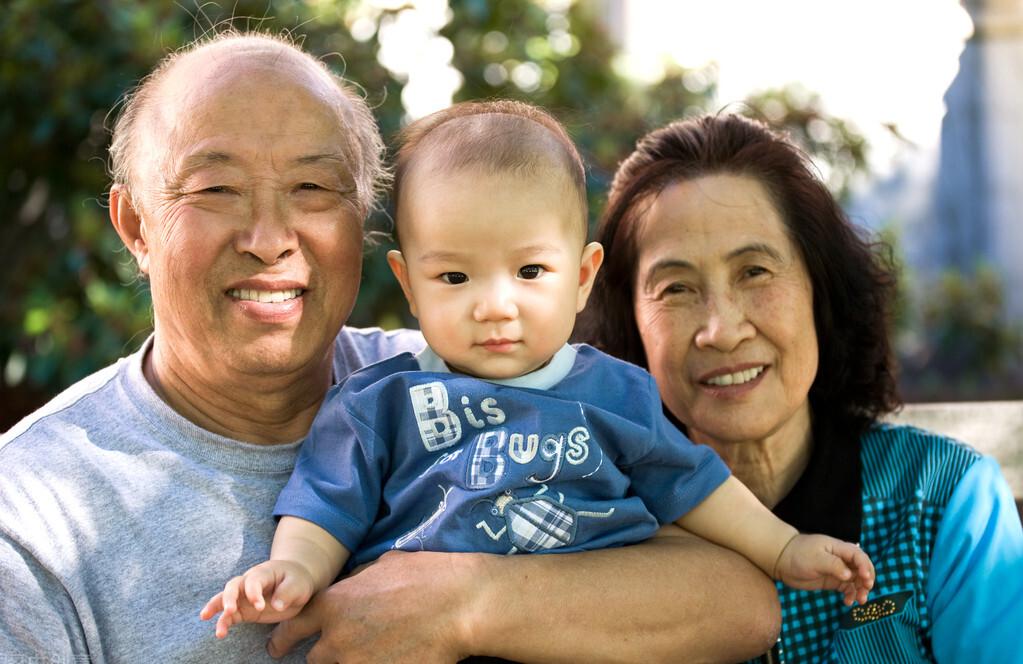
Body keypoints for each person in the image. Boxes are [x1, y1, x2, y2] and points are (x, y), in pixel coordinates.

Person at [0, 33, 783, 663]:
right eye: (215, 190)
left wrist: (467, 603)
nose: (271, 239)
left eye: (314, 189)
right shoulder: (35, 516)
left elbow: (735, 601)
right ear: (135, 226)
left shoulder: (466, 374)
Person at [200, 100, 874, 640]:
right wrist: (290, 569)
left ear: (581, 278)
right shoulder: (379, 401)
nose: (495, 305)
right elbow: (325, 507)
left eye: (529, 272)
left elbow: (694, 488)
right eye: (455, 275)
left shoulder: (614, 394)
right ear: (409, 284)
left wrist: (785, 550)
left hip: (582, 632)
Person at [580, 112, 1023, 663]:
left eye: (755, 272)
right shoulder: (597, 523)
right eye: (676, 288)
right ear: (630, 326)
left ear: (821, 287)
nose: (722, 329)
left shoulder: (943, 498)